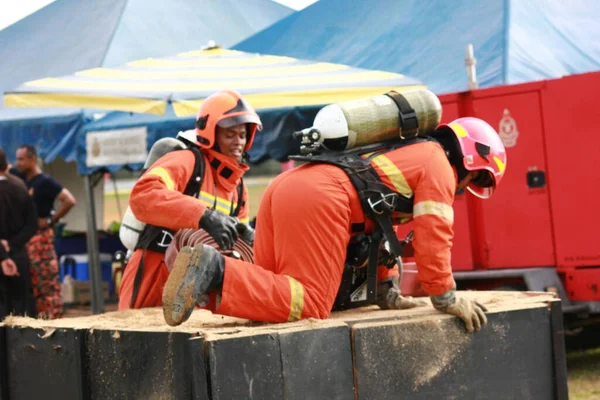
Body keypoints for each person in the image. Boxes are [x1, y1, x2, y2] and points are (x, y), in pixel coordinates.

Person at [163, 117, 507, 334]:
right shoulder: (438, 166)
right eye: (474, 180)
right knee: (311, 303)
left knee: (270, 295)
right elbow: (436, 234)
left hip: (288, 185)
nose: (464, 188)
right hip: (323, 197)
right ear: (472, 162)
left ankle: (212, 277)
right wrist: (445, 297)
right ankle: (215, 271)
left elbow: (378, 227)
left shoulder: (411, 152)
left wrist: (387, 291)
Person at [118, 89, 261, 310]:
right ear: (211, 133)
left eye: (242, 135)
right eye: (230, 135)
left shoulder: (238, 187)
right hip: (154, 270)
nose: (238, 143)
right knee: (134, 340)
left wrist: (247, 235)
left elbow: (236, 236)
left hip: (198, 285)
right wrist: (203, 215)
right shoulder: (186, 161)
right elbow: (143, 195)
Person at [15, 144, 77, 319]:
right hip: (26, 239)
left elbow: (70, 200)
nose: (18, 163)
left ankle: (52, 319)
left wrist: (51, 220)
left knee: (45, 283)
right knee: (32, 284)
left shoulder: (45, 181)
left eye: (21, 159)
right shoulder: (21, 180)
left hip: (40, 239)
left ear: (32, 159)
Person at [0, 148, 38, 320]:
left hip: (5, 255)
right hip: (18, 254)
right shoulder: (20, 187)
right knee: (21, 311)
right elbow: (32, 224)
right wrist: (14, 244)